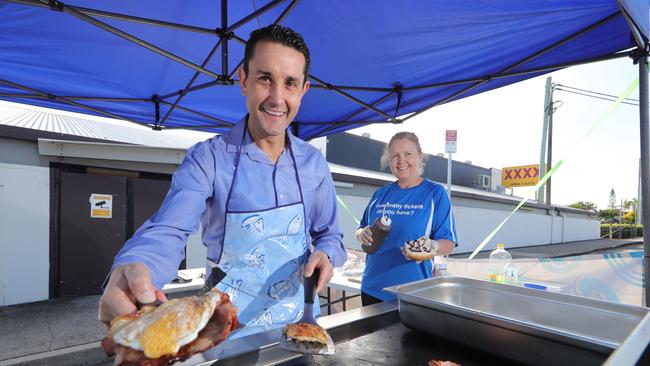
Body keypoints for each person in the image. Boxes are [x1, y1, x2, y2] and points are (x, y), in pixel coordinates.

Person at [99, 25, 346, 335]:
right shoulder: (208, 160)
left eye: (290, 83)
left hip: (299, 325)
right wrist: (134, 266)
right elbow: (169, 229)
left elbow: (330, 235)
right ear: (243, 80)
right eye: (264, 78)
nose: (277, 98)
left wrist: (326, 254)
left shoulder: (314, 164)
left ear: (303, 91)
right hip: (224, 331)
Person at [355, 132, 457, 305]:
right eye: (395, 155)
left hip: (412, 294)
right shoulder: (380, 194)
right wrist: (361, 233)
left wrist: (431, 247)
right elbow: (361, 228)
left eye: (407, 154)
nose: (401, 161)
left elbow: (449, 242)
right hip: (372, 289)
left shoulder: (434, 193)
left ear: (419, 156)